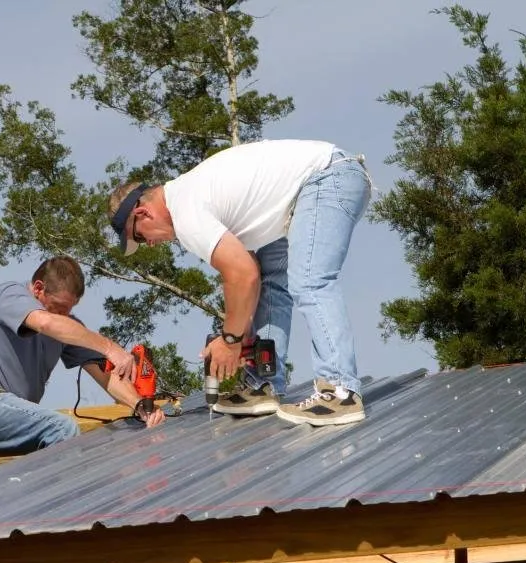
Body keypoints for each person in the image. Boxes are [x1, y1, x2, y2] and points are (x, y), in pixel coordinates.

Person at [107, 139, 370, 426]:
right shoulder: (189, 196)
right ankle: (263, 385)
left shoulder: (185, 211)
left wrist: (230, 341)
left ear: (142, 213)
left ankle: (341, 391)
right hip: (303, 193)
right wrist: (240, 331)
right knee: (274, 284)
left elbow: (243, 274)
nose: (151, 245)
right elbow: (249, 273)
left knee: (309, 280)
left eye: (141, 237)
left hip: (327, 177)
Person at [0, 255, 166, 453]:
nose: (64, 315)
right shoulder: (10, 295)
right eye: (59, 307)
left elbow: (106, 375)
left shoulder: (66, 326)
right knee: (61, 429)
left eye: (69, 310)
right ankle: (68, 512)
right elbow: (46, 323)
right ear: (38, 288)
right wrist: (111, 348)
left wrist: (139, 407)